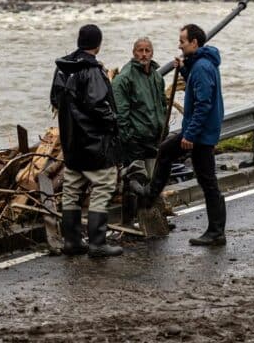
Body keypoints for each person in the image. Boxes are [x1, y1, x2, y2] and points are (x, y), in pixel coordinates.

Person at [141, 24, 226, 246]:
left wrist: (190, 134)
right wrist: (185, 68)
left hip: (200, 134)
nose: (179, 45)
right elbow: (197, 87)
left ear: (194, 43)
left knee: (204, 178)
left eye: (182, 41)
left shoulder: (202, 67)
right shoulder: (200, 64)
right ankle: (216, 231)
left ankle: (149, 196)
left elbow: (203, 104)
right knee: (203, 177)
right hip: (202, 131)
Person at [50, 24, 123, 257]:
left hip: (71, 142)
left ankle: (72, 241)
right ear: (98, 45)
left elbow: (55, 99)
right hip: (94, 143)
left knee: (72, 189)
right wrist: (114, 122)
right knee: (103, 186)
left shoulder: (63, 69)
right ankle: (98, 243)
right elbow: (98, 105)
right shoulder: (92, 71)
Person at [112, 37, 167, 215]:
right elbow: (121, 112)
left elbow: (161, 104)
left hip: (154, 138)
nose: (144, 54)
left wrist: (163, 127)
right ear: (133, 52)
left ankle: (150, 218)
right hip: (135, 139)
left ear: (152, 52)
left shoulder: (157, 76)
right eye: (140, 50)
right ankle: (129, 220)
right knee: (135, 180)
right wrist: (128, 137)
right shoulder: (124, 78)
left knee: (152, 181)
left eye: (147, 50)